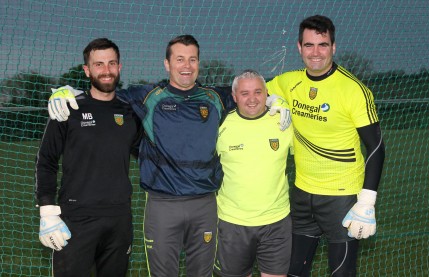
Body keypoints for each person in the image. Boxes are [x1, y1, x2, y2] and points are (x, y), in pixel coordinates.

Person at [46, 35, 291, 277]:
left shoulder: (216, 97)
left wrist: (272, 99)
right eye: (180, 59)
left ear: (198, 63)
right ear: (167, 64)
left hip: (205, 205)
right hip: (163, 205)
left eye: (192, 59)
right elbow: (104, 92)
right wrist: (69, 91)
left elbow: (248, 94)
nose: (187, 66)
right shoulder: (146, 95)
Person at [265, 15, 386, 276]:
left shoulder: (353, 90)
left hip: (341, 197)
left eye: (323, 45)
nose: (316, 52)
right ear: (299, 47)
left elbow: (376, 148)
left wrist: (366, 201)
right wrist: (273, 100)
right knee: (294, 270)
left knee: (341, 272)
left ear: (333, 47)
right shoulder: (289, 81)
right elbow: (253, 91)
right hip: (302, 192)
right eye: (309, 45)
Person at [35, 38, 142, 276]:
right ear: (87, 70)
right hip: (76, 219)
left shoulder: (130, 112)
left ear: (120, 67)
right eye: (99, 64)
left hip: (119, 219)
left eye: (111, 63)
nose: (106, 71)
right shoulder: (67, 107)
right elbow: (46, 160)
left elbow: (149, 154)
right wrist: (48, 212)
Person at [214, 70, 293, 277]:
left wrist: (284, 104)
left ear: (267, 94)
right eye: (245, 93)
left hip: (276, 222)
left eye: (258, 92)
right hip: (232, 223)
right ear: (234, 96)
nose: (252, 99)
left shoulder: (283, 121)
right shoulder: (220, 125)